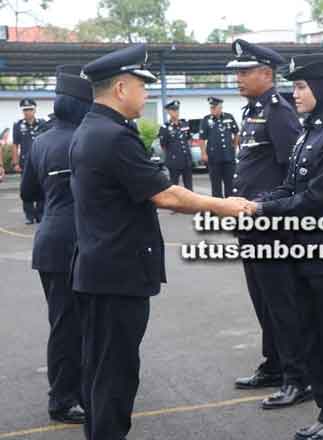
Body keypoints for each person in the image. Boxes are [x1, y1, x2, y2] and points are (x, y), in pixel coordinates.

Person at [69, 44, 250, 440]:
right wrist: (223, 205)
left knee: (100, 367)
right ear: (120, 88)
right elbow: (165, 194)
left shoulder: (92, 128)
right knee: (115, 372)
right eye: (142, 85)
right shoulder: (113, 137)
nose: (147, 93)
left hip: (101, 269)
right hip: (117, 274)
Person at [247, 52, 323, 440]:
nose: (295, 93)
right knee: (312, 338)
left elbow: (316, 197)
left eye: (300, 86)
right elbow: (291, 186)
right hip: (304, 250)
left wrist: (264, 208)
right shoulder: (310, 130)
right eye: (294, 86)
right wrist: (257, 202)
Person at [226, 39, 309, 407]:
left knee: (281, 302)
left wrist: (267, 209)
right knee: (262, 299)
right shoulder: (251, 111)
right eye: (237, 72)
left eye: (245, 72)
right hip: (250, 224)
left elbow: (293, 173)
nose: (238, 79)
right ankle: (274, 363)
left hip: (272, 226)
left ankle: (298, 377)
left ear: (266, 74)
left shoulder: (279, 111)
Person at [19, 64, 92, 425]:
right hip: (76, 243)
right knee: (73, 325)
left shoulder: (41, 141)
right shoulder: (85, 139)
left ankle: (72, 391)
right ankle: (63, 399)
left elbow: (28, 193)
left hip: (48, 242)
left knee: (64, 322)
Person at [12, 98, 46, 224]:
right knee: (26, 188)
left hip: (40, 161)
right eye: (25, 110)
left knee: (42, 187)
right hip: (25, 163)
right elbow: (15, 145)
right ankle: (29, 215)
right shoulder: (18, 125)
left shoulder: (42, 124)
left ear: (35, 109)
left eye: (30, 109)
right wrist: (15, 163)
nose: (27, 112)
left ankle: (41, 213)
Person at [200, 97, 239, 197]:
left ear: (220, 108)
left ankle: (230, 205)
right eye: (211, 108)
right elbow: (202, 139)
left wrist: (234, 146)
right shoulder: (206, 120)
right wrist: (203, 153)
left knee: (230, 183)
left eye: (214, 108)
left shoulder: (229, 117)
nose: (212, 110)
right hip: (214, 158)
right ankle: (218, 207)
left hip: (228, 157)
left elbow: (236, 133)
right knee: (215, 184)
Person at [159, 99, 194, 190]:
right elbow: (163, 145)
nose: (176, 112)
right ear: (168, 112)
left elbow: (189, 139)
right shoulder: (165, 127)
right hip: (174, 161)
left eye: (177, 110)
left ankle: (190, 204)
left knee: (189, 186)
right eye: (173, 110)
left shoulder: (184, 123)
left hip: (186, 160)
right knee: (174, 186)